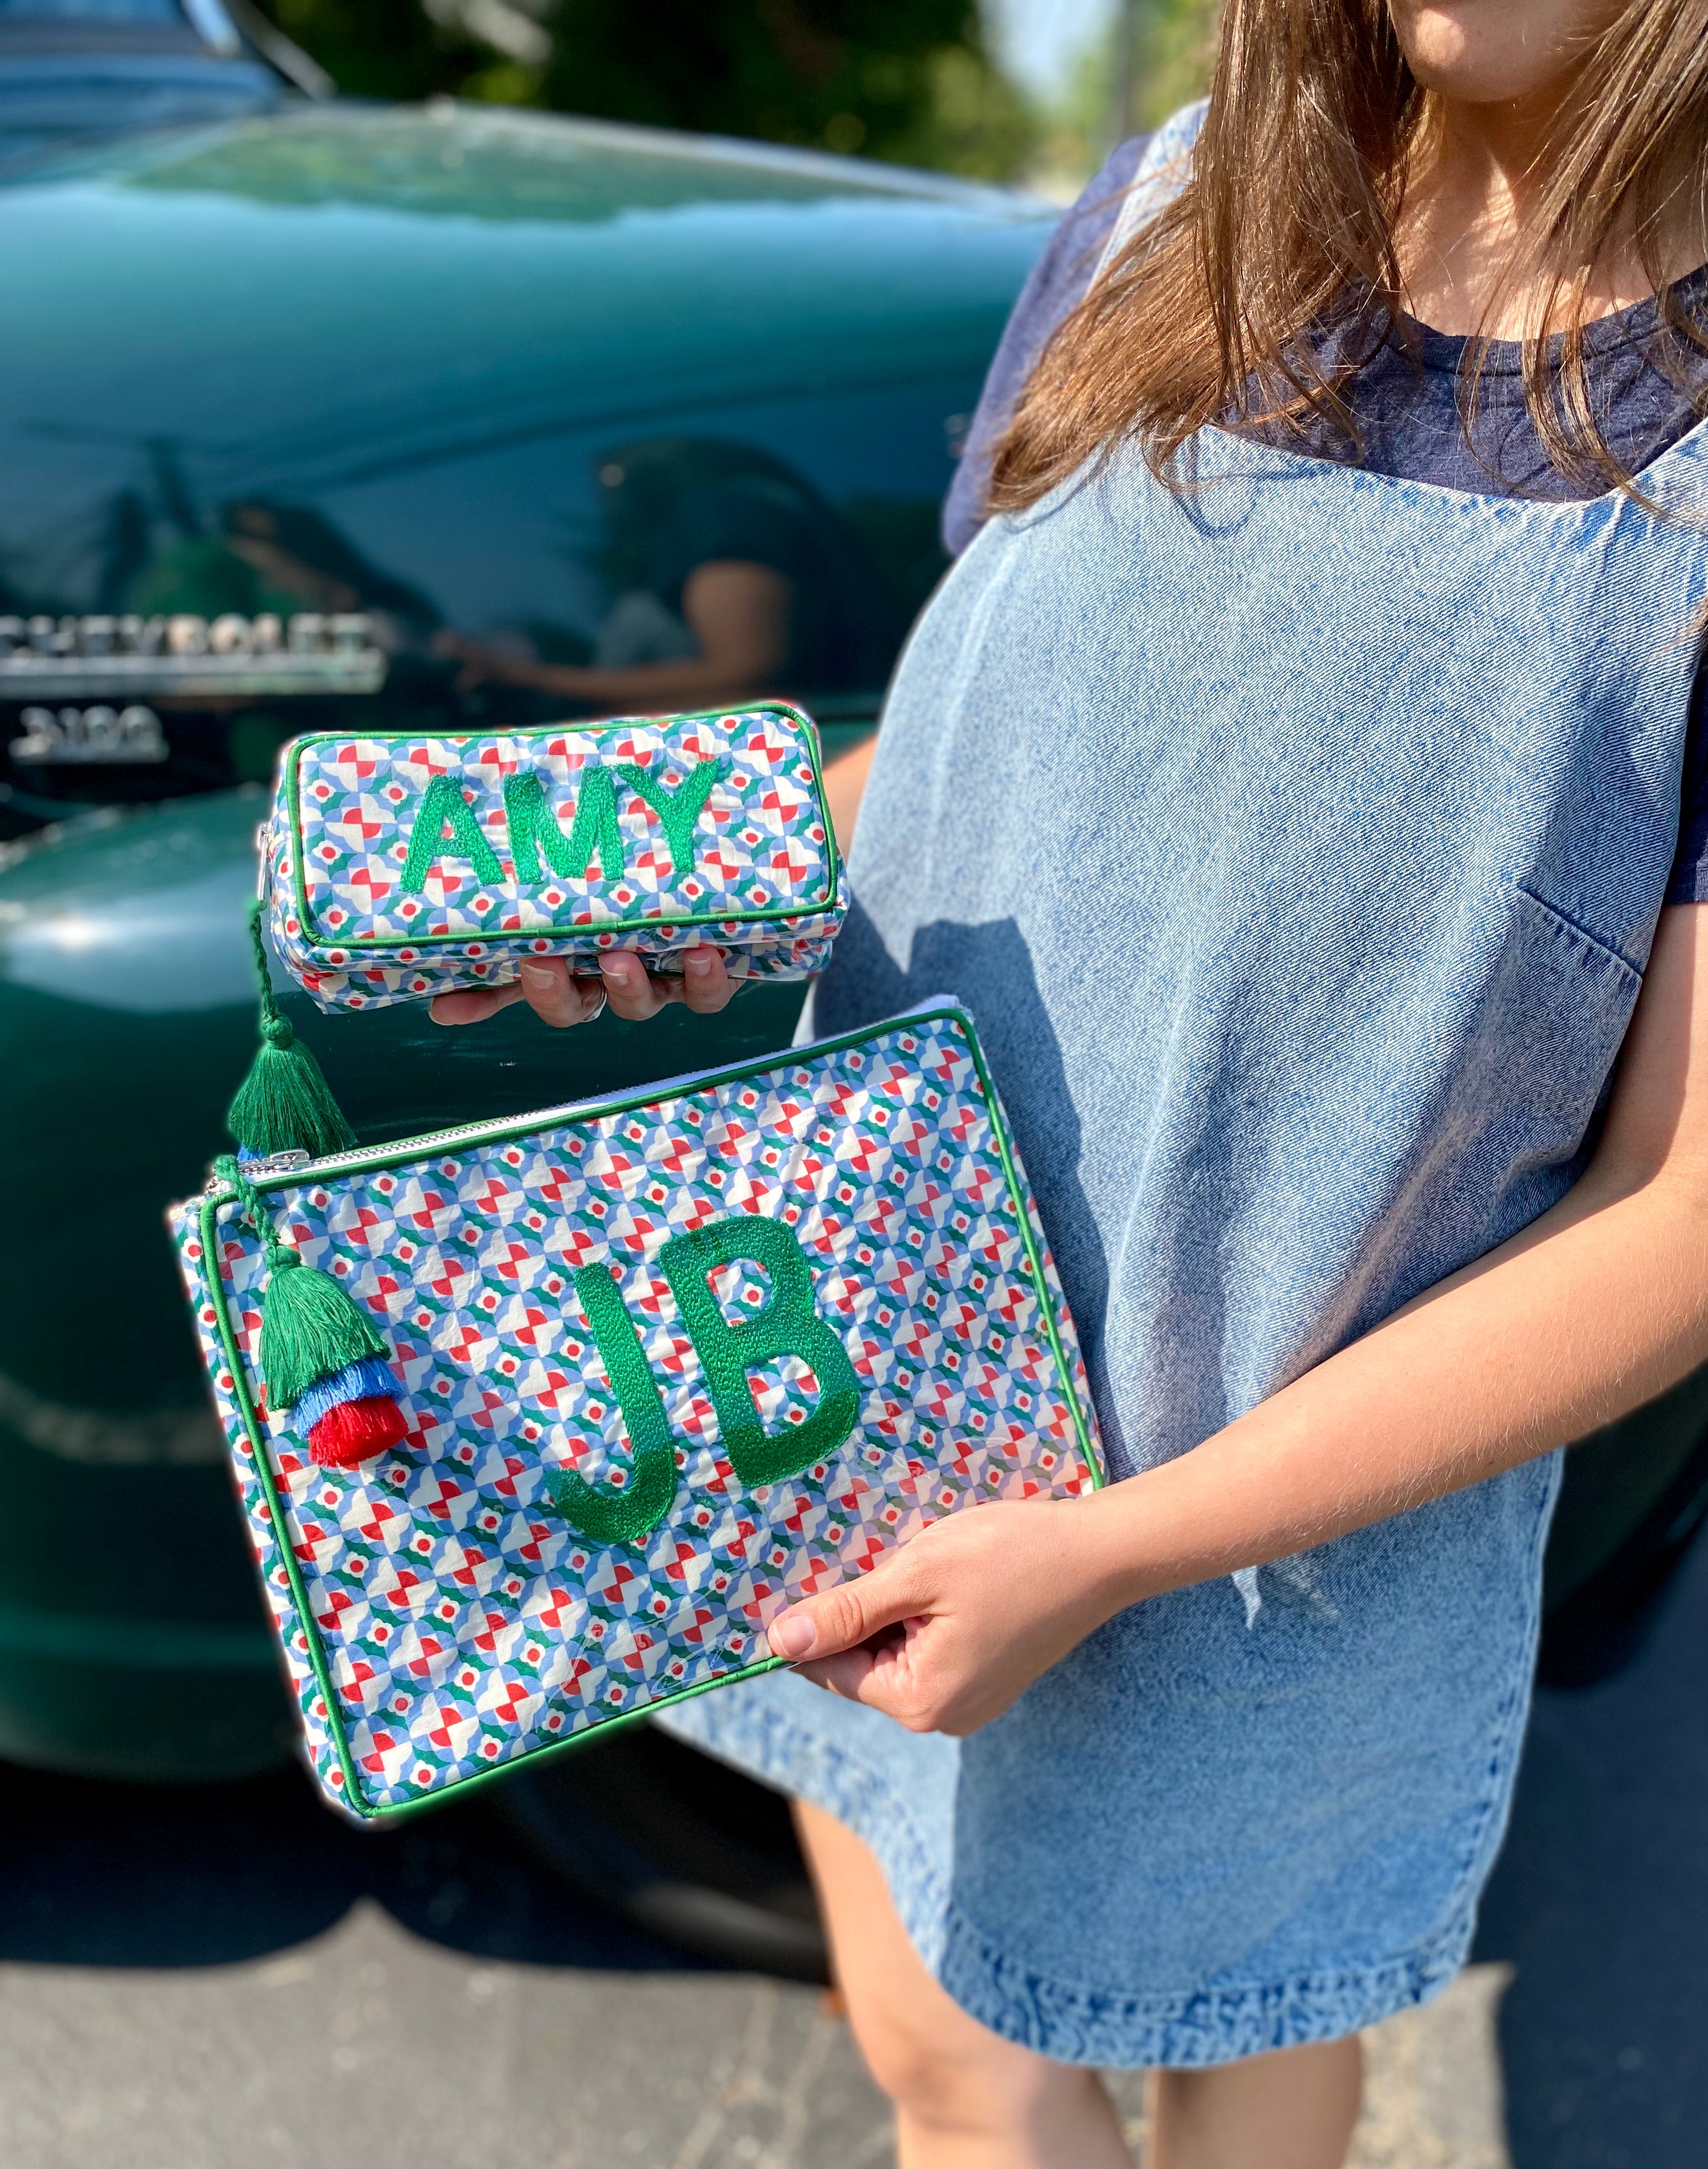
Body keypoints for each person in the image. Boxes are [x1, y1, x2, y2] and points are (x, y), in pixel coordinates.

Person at [436, 3, 1708, 2162]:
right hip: (865, 1371)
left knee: (1244, 2020)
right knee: (948, 2057)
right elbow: (972, 757)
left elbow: (1678, 1212)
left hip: (1271, 1515)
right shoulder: (1164, 212)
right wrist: (677, 885)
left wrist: (1120, 1543)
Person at [436, 436, 898, 714]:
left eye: (613, 484)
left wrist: (525, 676)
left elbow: (741, 668)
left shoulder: (721, 516)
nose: (606, 500)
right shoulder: (769, 508)